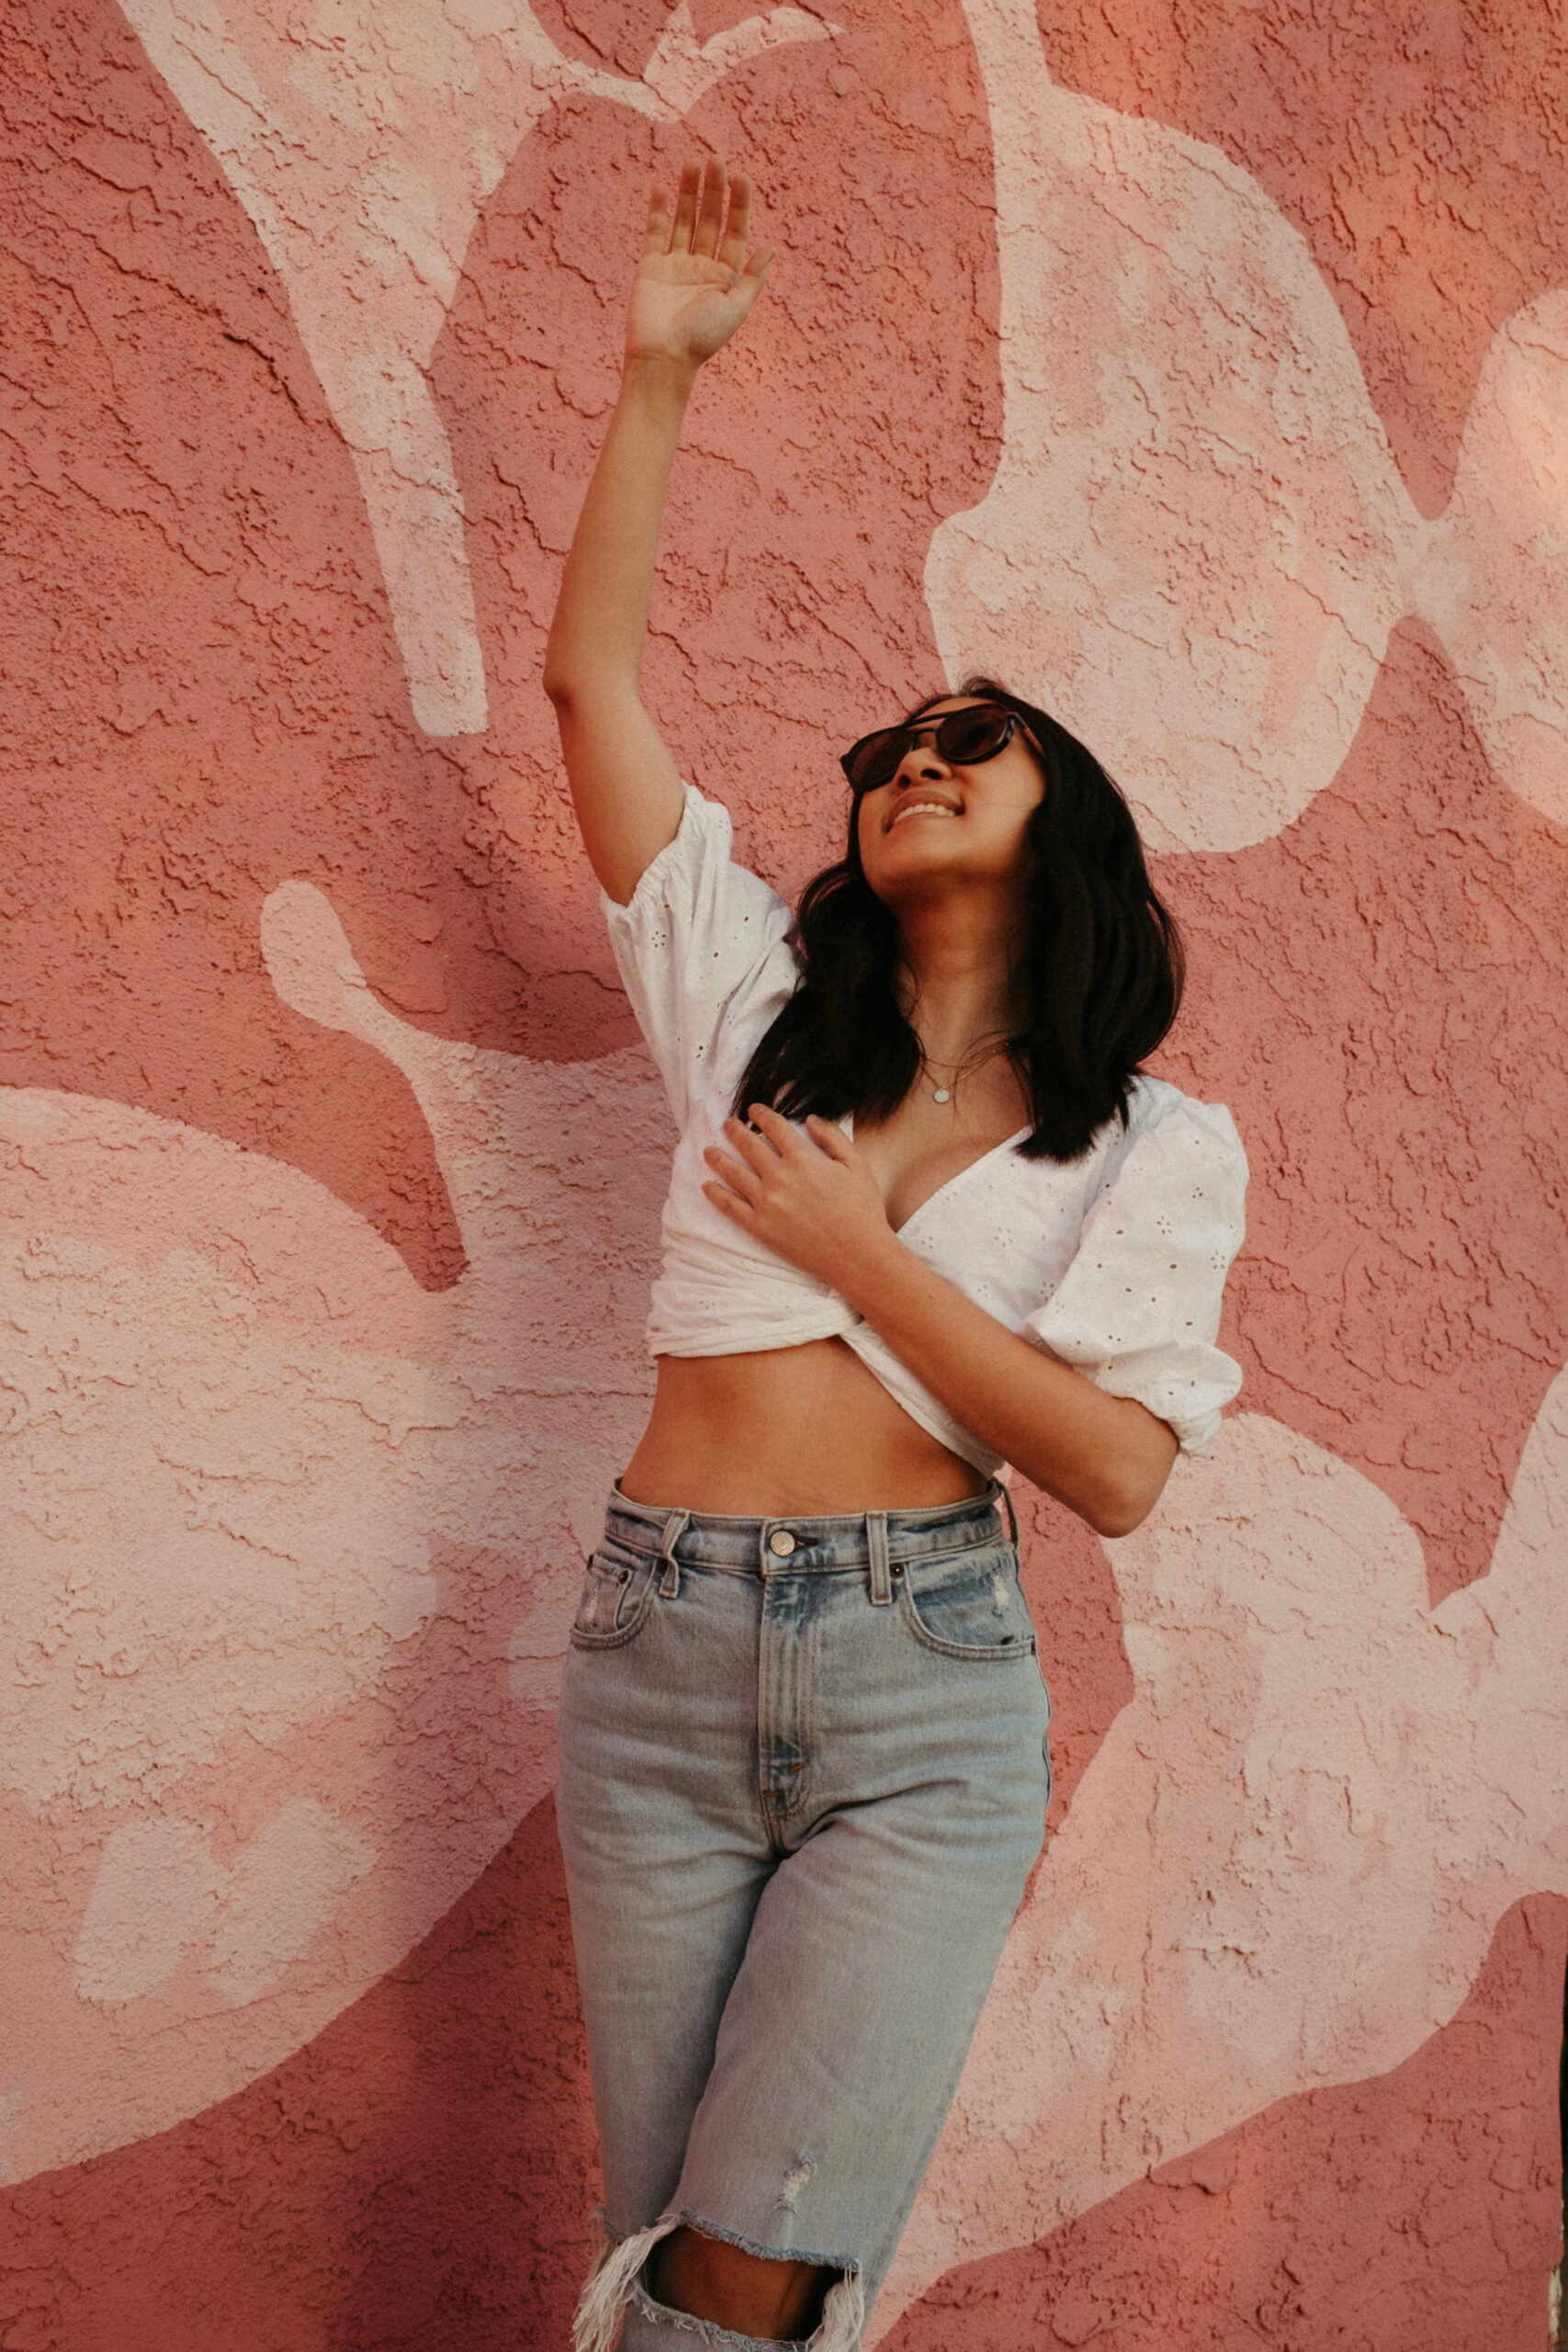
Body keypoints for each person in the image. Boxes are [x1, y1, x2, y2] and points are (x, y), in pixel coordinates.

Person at [543, 157, 1247, 2352]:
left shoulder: (1154, 1139)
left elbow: (1115, 1469)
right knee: (676, 2246)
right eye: (884, 754)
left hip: (920, 1690)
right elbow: (589, 691)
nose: (911, 765)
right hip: (654, 1648)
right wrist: (655, 374)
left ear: (1069, 825)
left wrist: (859, 1253)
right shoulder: (752, 1010)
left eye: (969, 741)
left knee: (745, 2271)